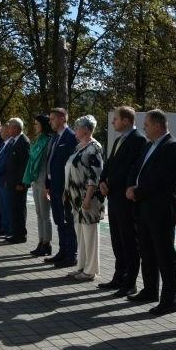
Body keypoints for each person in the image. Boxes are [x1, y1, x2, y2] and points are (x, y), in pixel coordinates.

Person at [126, 109, 176, 315]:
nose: (144, 128)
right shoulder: (150, 145)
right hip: (143, 207)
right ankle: (150, 290)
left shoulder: (172, 146)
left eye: (147, 125)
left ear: (158, 126)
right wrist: (130, 186)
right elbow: (137, 169)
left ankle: (170, 300)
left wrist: (137, 191)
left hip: (160, 209)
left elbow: (163, 179)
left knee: (164, 254)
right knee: (147, 252)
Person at [99, 106, 147, 297]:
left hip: (125, 199)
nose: (113, 122)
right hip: (113, 196)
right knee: (117, 239)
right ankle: (118, 276)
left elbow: (131, 169)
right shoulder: (119, 139)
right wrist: (102, 180)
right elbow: (109, 164)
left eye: (116, 119)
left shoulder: (139, 140)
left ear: (126, 121)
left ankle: (130, 282)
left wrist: (111, 183)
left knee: (128, 241)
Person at [64, 115, 105, 280]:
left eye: (77, 128)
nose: (75, 131)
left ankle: (90, 270)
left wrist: (88, 197)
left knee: (89, 234)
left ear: (86, 130)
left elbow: (94, 175)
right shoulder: (79, 146)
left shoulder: (94, 147)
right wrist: (66, 192)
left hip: (88, 198)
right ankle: (81, 266)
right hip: (76, 198)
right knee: (80, 234)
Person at [44, 108, 79, 268]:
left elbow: (72, 165)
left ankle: (71, 255)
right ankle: (62, 251)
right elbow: (49, 161)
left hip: (64, 188)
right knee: (59, 220)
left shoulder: (71, 137)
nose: (50, 122)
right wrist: (47, 184)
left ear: (63, 118)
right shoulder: (54, 137)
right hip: (53, 186)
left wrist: (67, 189)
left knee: (68, 221)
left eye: (52, 119)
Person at [22, 115, 53, 256]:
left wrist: (48, 182)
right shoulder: (39, 139)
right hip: (35, 179)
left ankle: (47, 243)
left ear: (43, 125)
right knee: (39, 214)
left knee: (45, 215)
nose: (35, 126)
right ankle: (41, 241)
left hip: (44, 180)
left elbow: (49, 162)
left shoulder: (49, 140)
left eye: (37, 123)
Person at [3, 118, 30, 244]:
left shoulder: (23, 141)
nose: (8, 130)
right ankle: (15, 233)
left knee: (19, 209)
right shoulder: (14, 141)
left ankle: (20, 234)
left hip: (18, 184)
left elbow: (24, 165)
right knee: (13, 208)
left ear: (17, 128)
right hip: (11, 182)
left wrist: (21, 183)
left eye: (10, 127)